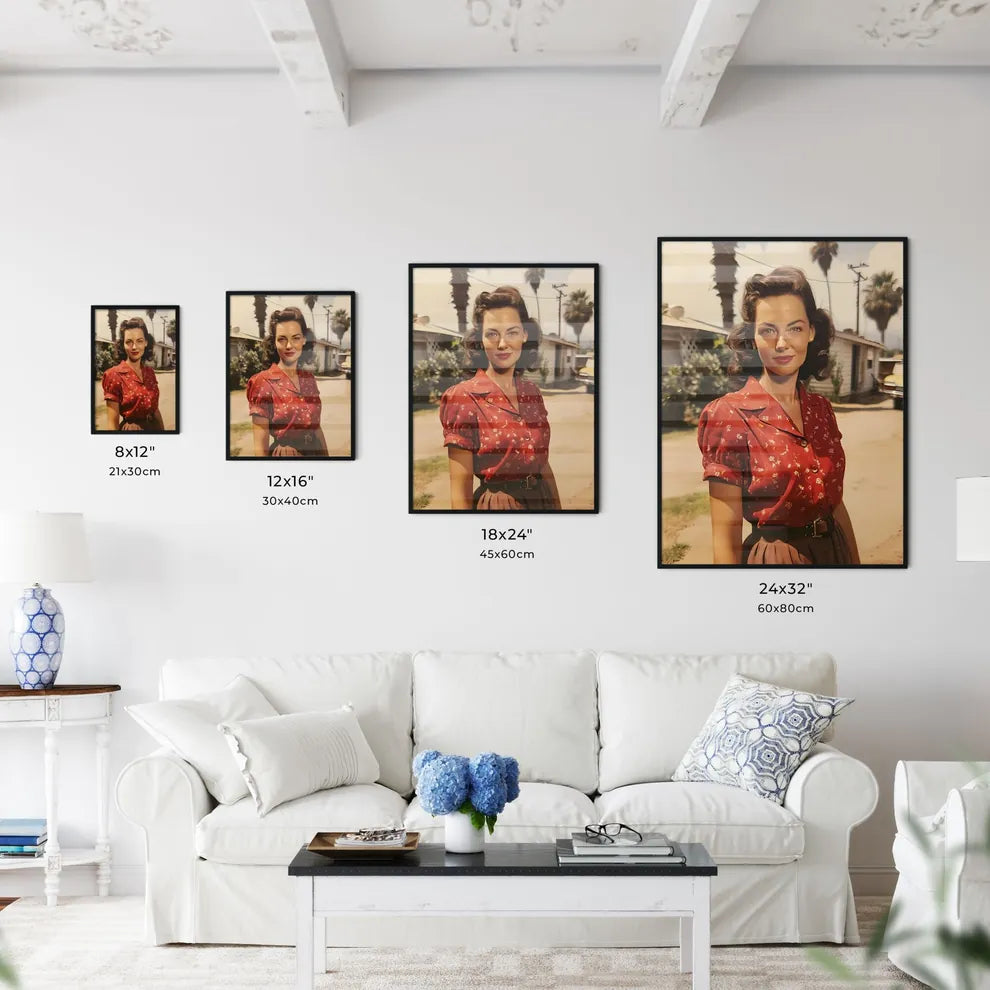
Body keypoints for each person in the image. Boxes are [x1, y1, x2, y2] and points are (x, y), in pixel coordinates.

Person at [697, 267, 860, 565]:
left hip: (835, 551)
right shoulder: (728, 415)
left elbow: (836, 504)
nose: (782, 343)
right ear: (753, 337)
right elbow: (725, 538)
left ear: (811, 332)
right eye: (768, 330)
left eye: (795, 328)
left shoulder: (821, 410)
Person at [439, 285, 561, 510]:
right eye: (492, 333)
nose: (502, 344)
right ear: (481, 339)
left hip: (542, 499)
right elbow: (459, 493)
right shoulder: (463, 398)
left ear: (525, 335)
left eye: (512, 332)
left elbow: (543, 464)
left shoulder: (532, 393)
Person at [246, 306, 328, 457]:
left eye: (296, 338)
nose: (289, 346)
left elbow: (317, 428)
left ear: (304, 340)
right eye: (282, 339)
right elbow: (260, 450)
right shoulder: (262, 382)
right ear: (274, 342)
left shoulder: (309, 380)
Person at [102, 317, 165, 432]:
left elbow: (155, 410)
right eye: (129, 342)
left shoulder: (150, 372)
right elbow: (112, 424)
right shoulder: (114, 375)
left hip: (154, 428)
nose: (134, 347)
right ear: (123, 344)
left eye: (139, 341)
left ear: (146, 342)